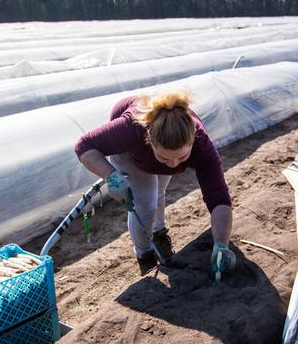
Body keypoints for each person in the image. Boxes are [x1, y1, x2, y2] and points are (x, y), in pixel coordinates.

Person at [74, 91, 236, 277]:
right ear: (150, 140)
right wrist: (111, 176)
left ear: (192, 140)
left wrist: (221, 244)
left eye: (182, 157)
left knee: (159, 191)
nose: (174, 164)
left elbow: (219, 198)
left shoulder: (202, 145)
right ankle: (145, 256)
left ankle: (158, 234)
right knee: (145, 203)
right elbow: (84, 146)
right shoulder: (130, 129)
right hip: (133, 152)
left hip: (153, 151)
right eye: (164, 156)